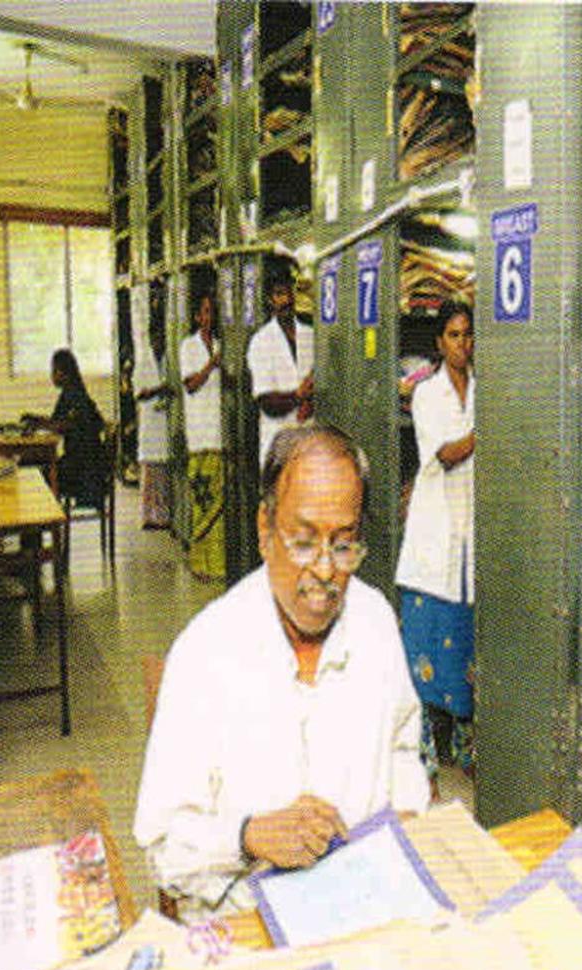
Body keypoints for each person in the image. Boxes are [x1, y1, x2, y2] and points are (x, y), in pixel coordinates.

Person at [133, 424, 429, 918]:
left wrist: (404, 819)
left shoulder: (375, 620)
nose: (324, 571)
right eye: (302, 542)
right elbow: (162, 847)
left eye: (343, 544)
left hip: (369, 902)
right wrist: (247, 836)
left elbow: (402, 748)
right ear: (265, 531)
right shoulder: (206, 653)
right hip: (249, 919)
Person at [395, 300, 476, 799]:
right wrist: (490, 433)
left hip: (470, 541)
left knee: (465, 651)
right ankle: (423, 753)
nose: (462, 345)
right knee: (426, 652)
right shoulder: (426, 395)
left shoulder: (484, 391)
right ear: (439, 343)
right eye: (452, 335)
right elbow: (445, 455)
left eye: (468, 335)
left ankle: (466, 750)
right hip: (433, 544)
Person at [246, 264, 315, 468]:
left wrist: (310, 402)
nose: (286, 300)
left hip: (309, 441)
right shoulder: (261, 341)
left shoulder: (310, 335)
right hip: (278, 446)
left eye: (289, 292)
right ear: (270, 300)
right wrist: (298, 396)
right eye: (279, 294)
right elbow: (267, 403)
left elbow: (321, 383)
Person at [22, 348, 106, 506]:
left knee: (31, 471)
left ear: (64, 372)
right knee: (30, 463)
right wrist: (35, 419)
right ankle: (37, 525)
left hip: (84, 473)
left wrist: (38, 423)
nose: (52, 375)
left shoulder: (75, 396)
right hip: (80, 465)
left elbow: (63, 425)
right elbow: (57, 421)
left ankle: (40, 523)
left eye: (54, 370)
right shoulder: (71, 392)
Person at [180, 290, 225, 581]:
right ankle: (199, 563)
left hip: (218, 433)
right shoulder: (189, 346)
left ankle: (218, 564)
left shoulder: (221, 344)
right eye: (204, 312)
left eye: (212, 312)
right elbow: (191, 384)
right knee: (202, 499)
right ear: (197, 316)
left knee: (219, 506)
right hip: (199, 436)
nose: (209, 318)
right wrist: (212, 364)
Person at [133, 298, 171, 529]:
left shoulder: (168, 359)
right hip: (150, 420)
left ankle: (163, 516)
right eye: (156, 338)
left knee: (162, 473)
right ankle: (149, 517)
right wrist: (159, 390)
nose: (159, 343)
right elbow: (139, 393)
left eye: (162, 339)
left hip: (163, 420)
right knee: (150, 474)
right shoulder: (143, 362)